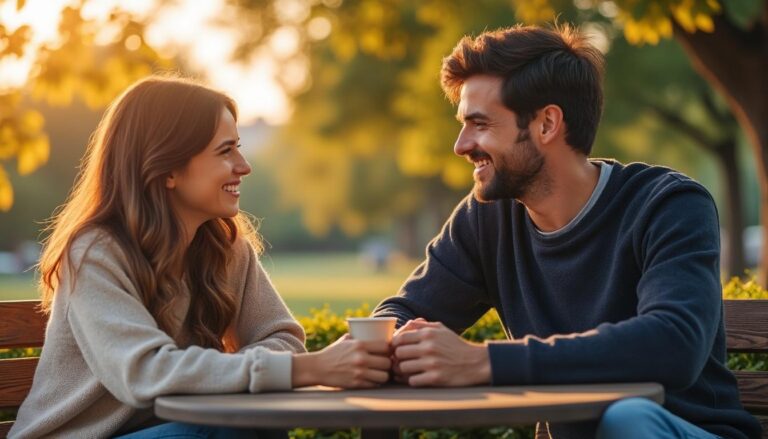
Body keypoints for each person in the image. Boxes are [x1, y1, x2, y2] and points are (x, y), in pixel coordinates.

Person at [373, 24, 761, 439]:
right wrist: (372, 346)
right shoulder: (487, 219)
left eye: (479, 124)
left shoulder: (668, 205)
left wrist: (483, 361)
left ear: (547, 124)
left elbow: (674, 344)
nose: (461, 145)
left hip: (689, 431)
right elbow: (403, 312)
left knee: (628, 419)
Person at [9, 76, 392, 439]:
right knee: (225, 431)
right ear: (168, 169)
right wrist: (304, 369)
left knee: (253, 423)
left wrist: (240, 374)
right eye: (225, 151)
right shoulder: (95, 253)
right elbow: (145, 373)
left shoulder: (224, 246)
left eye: (239, 147)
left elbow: (281, 338)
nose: (244, 166)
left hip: (177, 429)